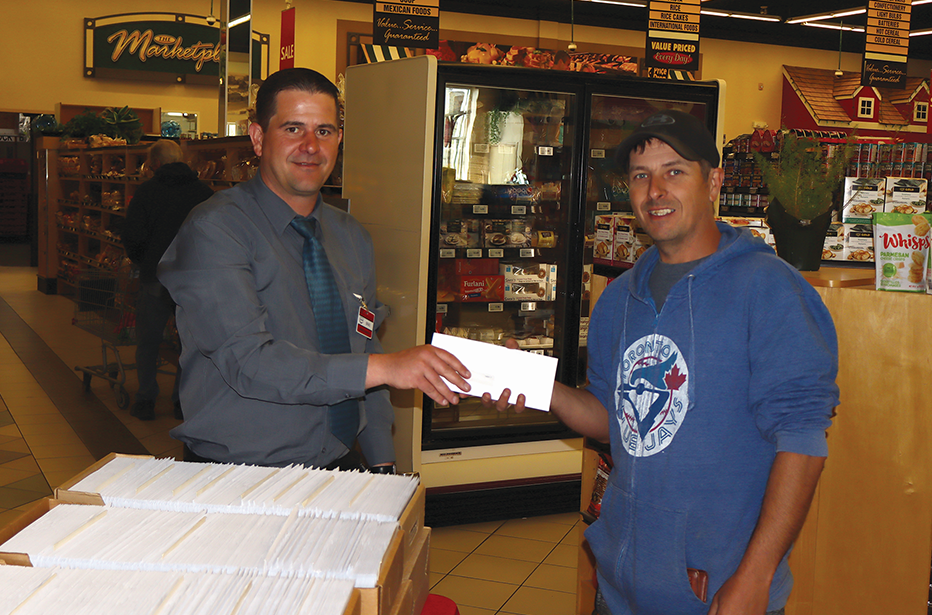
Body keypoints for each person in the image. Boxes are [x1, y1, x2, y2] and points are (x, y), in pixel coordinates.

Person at [487, 110, 839, 615]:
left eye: (674, 171)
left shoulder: (771, 289)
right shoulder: (619, 296)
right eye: (640, 176)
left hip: (716, 594)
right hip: (619, 591)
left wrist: (755, 576)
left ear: (713, 181)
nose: (655, 190)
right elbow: (615, 421)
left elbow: (803, 440)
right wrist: (542, 388)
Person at [158, 68, 470, 472]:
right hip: (243, 472)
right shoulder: (215, 231)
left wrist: (381, 460)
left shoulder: (351, 236)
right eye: (292, 128)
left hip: (342, 461)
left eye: (324, 131)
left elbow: (365, 345)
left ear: (339, 140)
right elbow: (249, 360)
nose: (310, 146)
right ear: (257, 138)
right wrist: (389, 367)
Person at [123, 140, 214, 421]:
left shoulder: (147, 192)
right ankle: (181, 402)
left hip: (155, 277)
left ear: (156, 164)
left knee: (149, 341)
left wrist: (145, 262)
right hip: (193, 280)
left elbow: (133, 235)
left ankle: (146, 399)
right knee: (188, 344)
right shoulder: (204, 193)